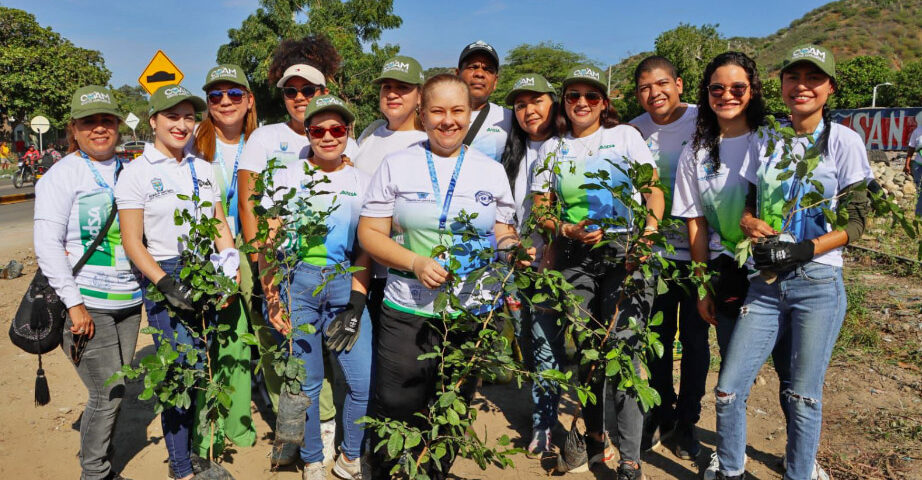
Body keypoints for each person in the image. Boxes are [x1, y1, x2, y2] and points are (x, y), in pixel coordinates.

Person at [713, 45, 872, 480]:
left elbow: (857, 221)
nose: (802, 86)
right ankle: (730, 471)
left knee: (803, 394)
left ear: (830, 88)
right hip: (764, 283)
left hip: (817, 282)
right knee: (727, 390)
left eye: (813, 78)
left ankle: (799, 472)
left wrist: (804, 249)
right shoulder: (767, 137)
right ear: (781, 85)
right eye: (793, 77)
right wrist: (749, 223)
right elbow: (748, 202)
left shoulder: (844, 141)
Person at [357, 74, 524, 479]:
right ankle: (380, 470)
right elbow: (369, 233)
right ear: (422, 114)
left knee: (451, 409)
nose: (448, 121)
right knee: (397, 404)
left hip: (469, 312)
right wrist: (415, 262)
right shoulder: (398, 165)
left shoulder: (490, 171)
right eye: (437, 111)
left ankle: (432, 473)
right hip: (407, 308)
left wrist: (513, 249)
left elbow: (502, 231)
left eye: (457, 111)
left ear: (470, 114)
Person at [532, 64, 663, 479]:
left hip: (626, 249)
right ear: (564, 103)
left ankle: (629, 460)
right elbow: (542, 209)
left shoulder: (624, 137)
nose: (582, 104)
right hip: (575, 255)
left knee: (623, 354)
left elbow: (652, 189)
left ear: (604, 103)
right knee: (590, 351)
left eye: (591, 97)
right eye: (574, 97)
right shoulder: (550, 149)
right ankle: (594, 436)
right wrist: (565, 228)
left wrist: (649, 233)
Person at [669, 51, 794, 479]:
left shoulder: (774, 140)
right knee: (732, 371)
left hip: (778, 269)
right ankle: (729, 456)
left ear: (752, 90)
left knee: (790, 372)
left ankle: (800, 457)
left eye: (736, 87)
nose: (726, 95)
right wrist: (703, 285)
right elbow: (696, 226)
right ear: (705, 95)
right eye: (717, 88)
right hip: (727, 271)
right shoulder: (697, 152)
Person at [235, 35, 351, 465]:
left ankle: (322, 429)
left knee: (321, 349)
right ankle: (291, 433)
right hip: (271, 261)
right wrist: (260, 268)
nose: (300, 97)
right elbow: (249, 202)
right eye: (291, 90)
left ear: (326, 92)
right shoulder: (265, 138)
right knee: (275, 343)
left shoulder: (338, 134)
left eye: (310, 90)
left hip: (324, 266)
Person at [115, 84, 238, 480]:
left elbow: (218, 222)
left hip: (206, 274)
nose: (182, 124)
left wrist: (229, 267)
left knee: (202, 366)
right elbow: (133, 242)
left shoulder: (203, 167)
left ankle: (197, 453)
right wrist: (165, 284)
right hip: (164, 274)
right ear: (153, 121)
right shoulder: (136, 173)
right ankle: (181, 468)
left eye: (189, 116)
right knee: (177, 373)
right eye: (172, 116)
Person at [260, 95, 372, 480]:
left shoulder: (362, 181)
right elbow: (267, 245)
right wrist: (273, 299)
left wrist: (356, 304)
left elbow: (364, 248)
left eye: (336, 129)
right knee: (305, 383)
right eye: (318, 130)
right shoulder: (285, 177)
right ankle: (311, 459)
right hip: (298, 282)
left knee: (361, 381)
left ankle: (349, 457)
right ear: (307, 133)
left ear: (347, 132)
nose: (328, 136)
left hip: (344, 282)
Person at [34, 85, 141, 480]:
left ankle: (104, 466)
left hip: (129, 300)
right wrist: (74, 303)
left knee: (118, 388)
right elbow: (47, 244)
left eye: (107, 120)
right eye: (89, 122)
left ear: (117, 126)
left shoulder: (131, 171)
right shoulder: (61, 176)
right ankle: (94, 473)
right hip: (87, 301)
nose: (100, 128)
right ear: (73, 130)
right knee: (107, 392)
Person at [629, 55, 707, 458]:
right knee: (655, 339)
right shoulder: (633, 131)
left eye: (661, 84)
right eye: (644, 88)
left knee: (695, 341)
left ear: (678, 83)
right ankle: (661, 412)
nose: (654, 93)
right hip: (654, 254)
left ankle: (687, 421)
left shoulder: (702, 119)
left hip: (698, 252)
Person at [189, 63, 259, 457]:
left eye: (235, 94)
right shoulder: (193, 145)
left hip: (252, 252)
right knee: (206, 339)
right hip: (206, 253)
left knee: (241, 339)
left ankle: (238, 424)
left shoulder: (263, 142)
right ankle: (205, 431)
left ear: (249, 100)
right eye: (216, 96)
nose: (226, 102)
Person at [498, 73, 562, 456]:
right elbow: (503, 213)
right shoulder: (512, 154)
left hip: (556, 263)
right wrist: (512, 248)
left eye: (536, 101)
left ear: (553, 104)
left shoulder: (566, 147)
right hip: (517, 262)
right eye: (520, 105)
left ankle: (544, 423)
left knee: (545, 342)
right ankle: (542, 409)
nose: (528, 111)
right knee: (525, 338)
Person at [353, 55, 427, 326]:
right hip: (360, 267)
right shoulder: (371, 132)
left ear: (420, 96)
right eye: (387, 87)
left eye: (403, 87)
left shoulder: (426, 142)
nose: (393, 94)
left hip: (397, 270)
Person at [455, 40, 513, 161]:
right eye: (473, 67)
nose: (480, 73)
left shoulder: (509, 119)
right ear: (457, 74)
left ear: (495, 81)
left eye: (488, 69)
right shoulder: (436, 115)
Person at [904, 120, 922, 216]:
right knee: (920, 191)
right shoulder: (917, 131)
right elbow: (911, 148)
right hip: (919, 166)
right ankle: (919, 215)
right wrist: (907, 164)